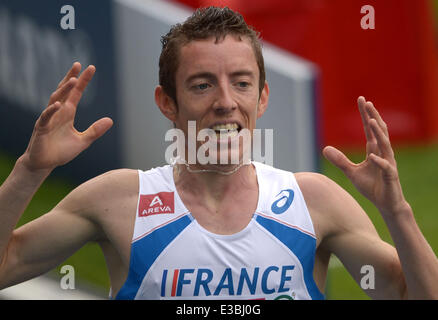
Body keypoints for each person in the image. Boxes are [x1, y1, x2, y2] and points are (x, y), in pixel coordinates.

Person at [0, 6, 437, 300]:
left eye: (242, 83)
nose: (225, 101)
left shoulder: (313, 201)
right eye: (202, 84)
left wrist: (396, 210)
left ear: (262, 98)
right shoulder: (118, 200)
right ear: (167, 102)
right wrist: (29, 170)